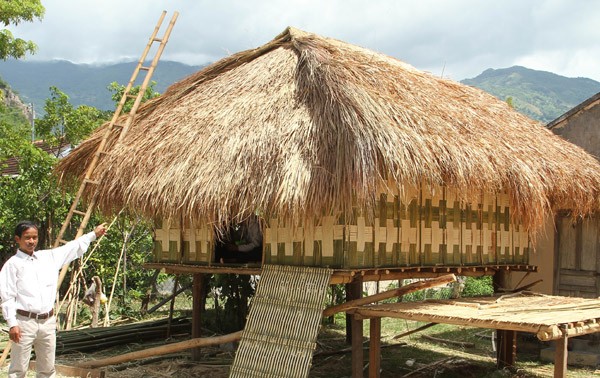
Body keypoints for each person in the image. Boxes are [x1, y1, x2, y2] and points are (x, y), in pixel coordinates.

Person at [0, 221, 107, 378]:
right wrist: (12, 324)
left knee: (47, 368)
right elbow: (7, 296)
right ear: (18, 239)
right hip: (24, 322)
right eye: (27, 238)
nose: (31, 241)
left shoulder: (47, 258)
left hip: (48, 321)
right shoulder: (13, 265)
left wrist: (93, 235)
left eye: (34, 237)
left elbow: (71, 248)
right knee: (18, 369)